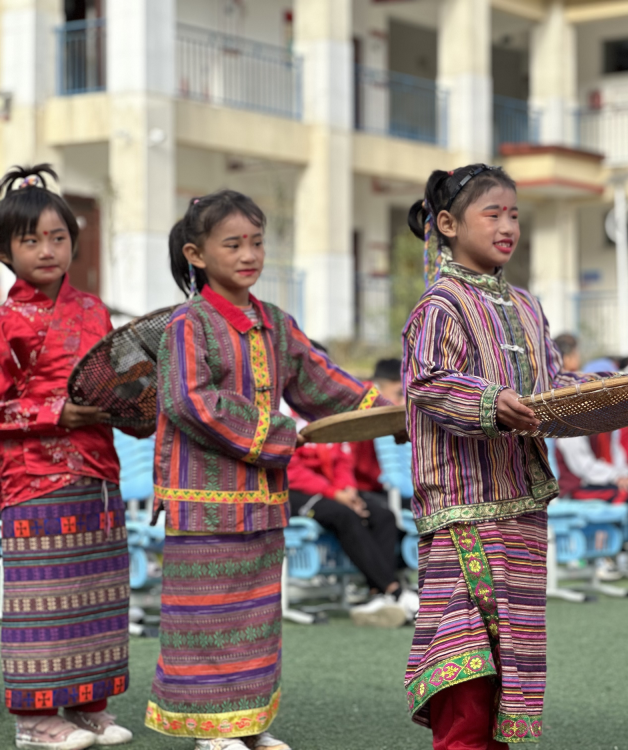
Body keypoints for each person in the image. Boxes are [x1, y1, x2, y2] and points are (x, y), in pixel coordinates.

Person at [147, 190, 392, 750]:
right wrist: (281, 434)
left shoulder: (276, 323)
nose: (248, 253)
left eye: (256, 242)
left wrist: (380, 413)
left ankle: (248, 724)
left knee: (255, 617)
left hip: (261, 499)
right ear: (197, 254)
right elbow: (190, 401)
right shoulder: (188, 325)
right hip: (204, 502)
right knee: (208, 618)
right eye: (232, 244)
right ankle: (211, 733)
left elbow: (321, 382)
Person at [402, 164, 596, 748]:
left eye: (514, 214)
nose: (508, 225)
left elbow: (549, 382)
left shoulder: (528, 305)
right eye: (493, 213)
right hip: (463, 504)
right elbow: (429, 383)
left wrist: (615, 388)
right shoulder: (439, 305)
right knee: (464, 649)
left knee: (508, 648)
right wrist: (490, 400)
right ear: (447, 224)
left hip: (522, 506)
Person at [0, 165, 140, 750]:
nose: (46, 249)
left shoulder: (94, 309)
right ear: (6, 251)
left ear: (74, 243)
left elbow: (114, 383)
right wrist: (59, 413)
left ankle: (87, 707)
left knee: (97, 594)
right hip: (33, 479)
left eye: (57, 237)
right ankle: (34, 722)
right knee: (43, 595)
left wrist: (131, 398)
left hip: (98, 472)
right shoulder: (5, 319)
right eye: (30, 239)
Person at [287, 423, 418, 627]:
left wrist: (348, 492)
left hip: (334, 491)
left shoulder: (332, 417)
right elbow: (293, 470)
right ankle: (394, 590)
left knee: (383, 515)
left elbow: (344, 461)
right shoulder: (288, 416)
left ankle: (377, 595)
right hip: (295, 491)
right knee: (344, 515)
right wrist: (336, 495)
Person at [554, 430, 628, 575]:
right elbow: (585, 468)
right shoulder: (570, 431)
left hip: (603, 482)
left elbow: (619, 460)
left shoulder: (605, 429)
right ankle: (607, 551)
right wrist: (618, 478)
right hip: (579, 487)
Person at [350, 357, 407, 504]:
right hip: (358, 489)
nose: (403, 403)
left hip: (378, 488)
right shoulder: (360, 410)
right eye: (400, 394)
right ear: (378, 388)